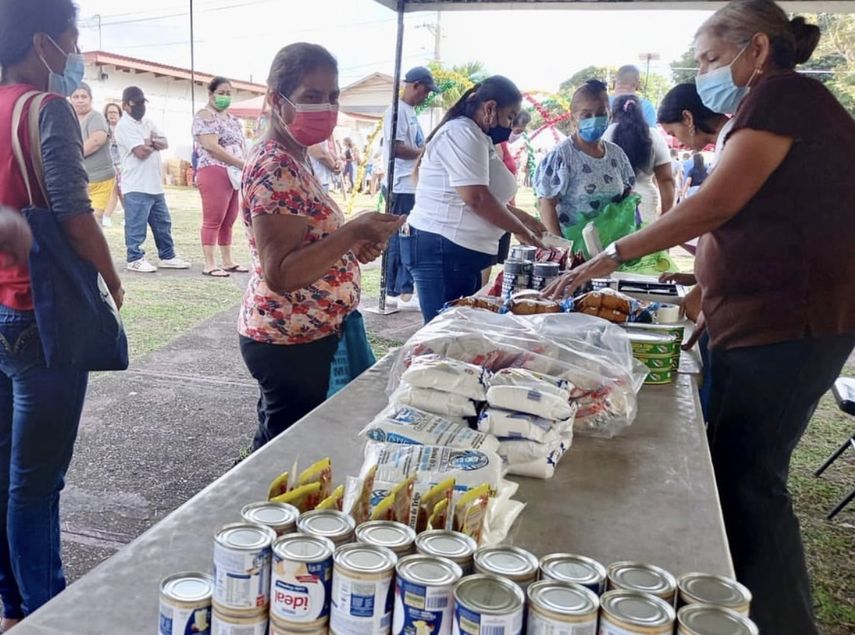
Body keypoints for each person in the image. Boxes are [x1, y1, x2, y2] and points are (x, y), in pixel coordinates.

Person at [545, 2, 855, 633]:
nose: (707, 72)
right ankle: (730, 604)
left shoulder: (781, 98)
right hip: (760, 318)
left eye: (712, 58)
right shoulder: (772, 105)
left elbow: (716, 205)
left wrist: (612, 254)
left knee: (751, 481)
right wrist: (702, 294)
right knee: (737, 476)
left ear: (758, 51)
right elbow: (756, 218)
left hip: (790, 325)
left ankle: (782, 621)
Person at [0, 0, 125, 626]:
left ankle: (12, 600)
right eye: (72, 41)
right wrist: (109, 274)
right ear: (43, 43)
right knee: (36, 481)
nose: (74, 56)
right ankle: (49, 610)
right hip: (36, 311)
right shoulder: (43, 109)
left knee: (3, 467)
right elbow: (76, 215)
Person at [240, 43, 403, 450]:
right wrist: (351, 233)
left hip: (308, 335)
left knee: (286, 446)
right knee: (284, 455)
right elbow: (282, 273)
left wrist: (351, 245)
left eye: (332, 97)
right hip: (290, 340)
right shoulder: (276, 164)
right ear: (277, 101)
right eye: (311, 97)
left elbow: (309, 241)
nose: (326, 107)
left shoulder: (297, 158)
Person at [401, 75, 545, 324]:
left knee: (460, 331)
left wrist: (527, 220)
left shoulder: (476, 135)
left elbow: (489, 196)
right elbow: (477, 198)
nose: (511, 125)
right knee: (445, 334)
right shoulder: (460, 132)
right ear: (490, 108)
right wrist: (524, 233)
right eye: (510, 116)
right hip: (442, 249)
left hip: (456, 252)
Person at [535, 80, 636, 245]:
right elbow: (546, 204)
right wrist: (562, 248)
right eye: (586, 115)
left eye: (601, 113)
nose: (595, 119)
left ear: (610, 114)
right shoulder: (562, 155)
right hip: (574, 249)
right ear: (573, 117)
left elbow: (627, 194)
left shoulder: (617, 155)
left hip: (611, 249)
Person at [114, 86, 190, 273]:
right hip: (136, 184)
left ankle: (167, 255)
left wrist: (150, 142)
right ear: (125, 105)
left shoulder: (148, 122)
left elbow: (165, 142)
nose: (140, 106)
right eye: (136, 103)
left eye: (142, 103)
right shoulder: (123, 126)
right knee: (136, 225)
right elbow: (140, 152)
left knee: (163, 223)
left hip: (155, 185)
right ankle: (135, 258)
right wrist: (152, 143)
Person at [381, 66, 437, 311]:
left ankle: (403, 288)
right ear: (414, 85)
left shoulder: (410, 112)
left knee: (406, 235)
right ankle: (397, 290)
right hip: (400, 184)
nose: (426, 96)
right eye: (425, 91)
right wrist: (424, 154)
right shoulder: (397, 111)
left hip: (410, 185)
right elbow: (397, 147)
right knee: (399, 237)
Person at [192, 76, 248, 277]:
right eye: (221, 93)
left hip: (234, 173)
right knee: (213, 218)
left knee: (229, 218)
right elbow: (211, 146)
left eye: (228, 93)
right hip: (214, 170)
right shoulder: (205, 116)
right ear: (211, 94)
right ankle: (210, 263)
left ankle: (227, 260)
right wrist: (241, 163)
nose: (225, 97)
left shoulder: (232, 119)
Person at [604, 95, 674, 223]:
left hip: (610, 204)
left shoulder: (605, 134)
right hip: (645, 202)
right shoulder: (653, 135)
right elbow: (666, 180)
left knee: (613, 243)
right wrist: (666, 217)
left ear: (613, 113)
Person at [69, 82, 116, 227]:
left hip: (100, 179)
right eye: (75, 97)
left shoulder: (95, 117)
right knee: (78, 221)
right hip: (79, 180)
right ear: (70, 99)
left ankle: (96, 250)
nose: (80, 100)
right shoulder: (70, 118)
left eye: (84, 96)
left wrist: (70, 156)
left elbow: (96, 141)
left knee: (93, 221)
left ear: (91, 99)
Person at [103, 102, 124, 224]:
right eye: (110, 112)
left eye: (115, 112)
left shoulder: (123, 128)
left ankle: (128, 216)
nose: (112, 115)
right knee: (113, 190)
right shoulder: (103, 128)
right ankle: (106, 216)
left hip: (122, 163)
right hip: (108, 163)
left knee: (122, 191)